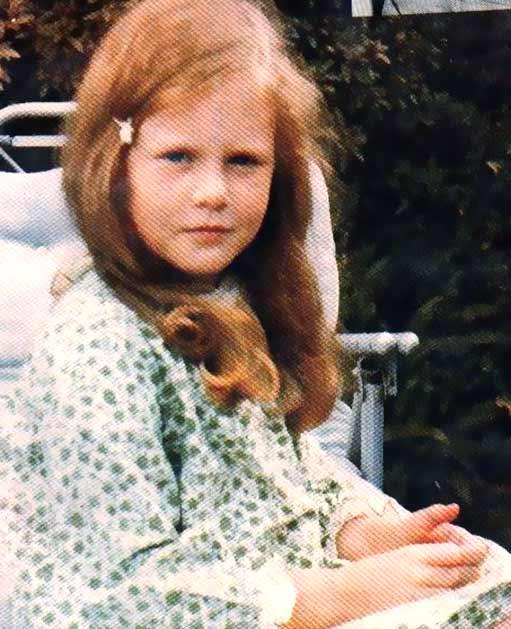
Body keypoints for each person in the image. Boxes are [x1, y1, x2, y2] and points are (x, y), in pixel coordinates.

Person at [1, 0, 511, 626]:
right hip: (163, 613)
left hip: (262, 591)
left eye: (243, 161)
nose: (212, 192)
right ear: (116, 165)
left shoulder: (229, 304)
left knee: (492, 575)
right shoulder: (98, 348)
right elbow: (122, 592)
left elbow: (283, 477)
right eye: (178, 156)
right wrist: (343, 593)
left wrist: (362, 533)